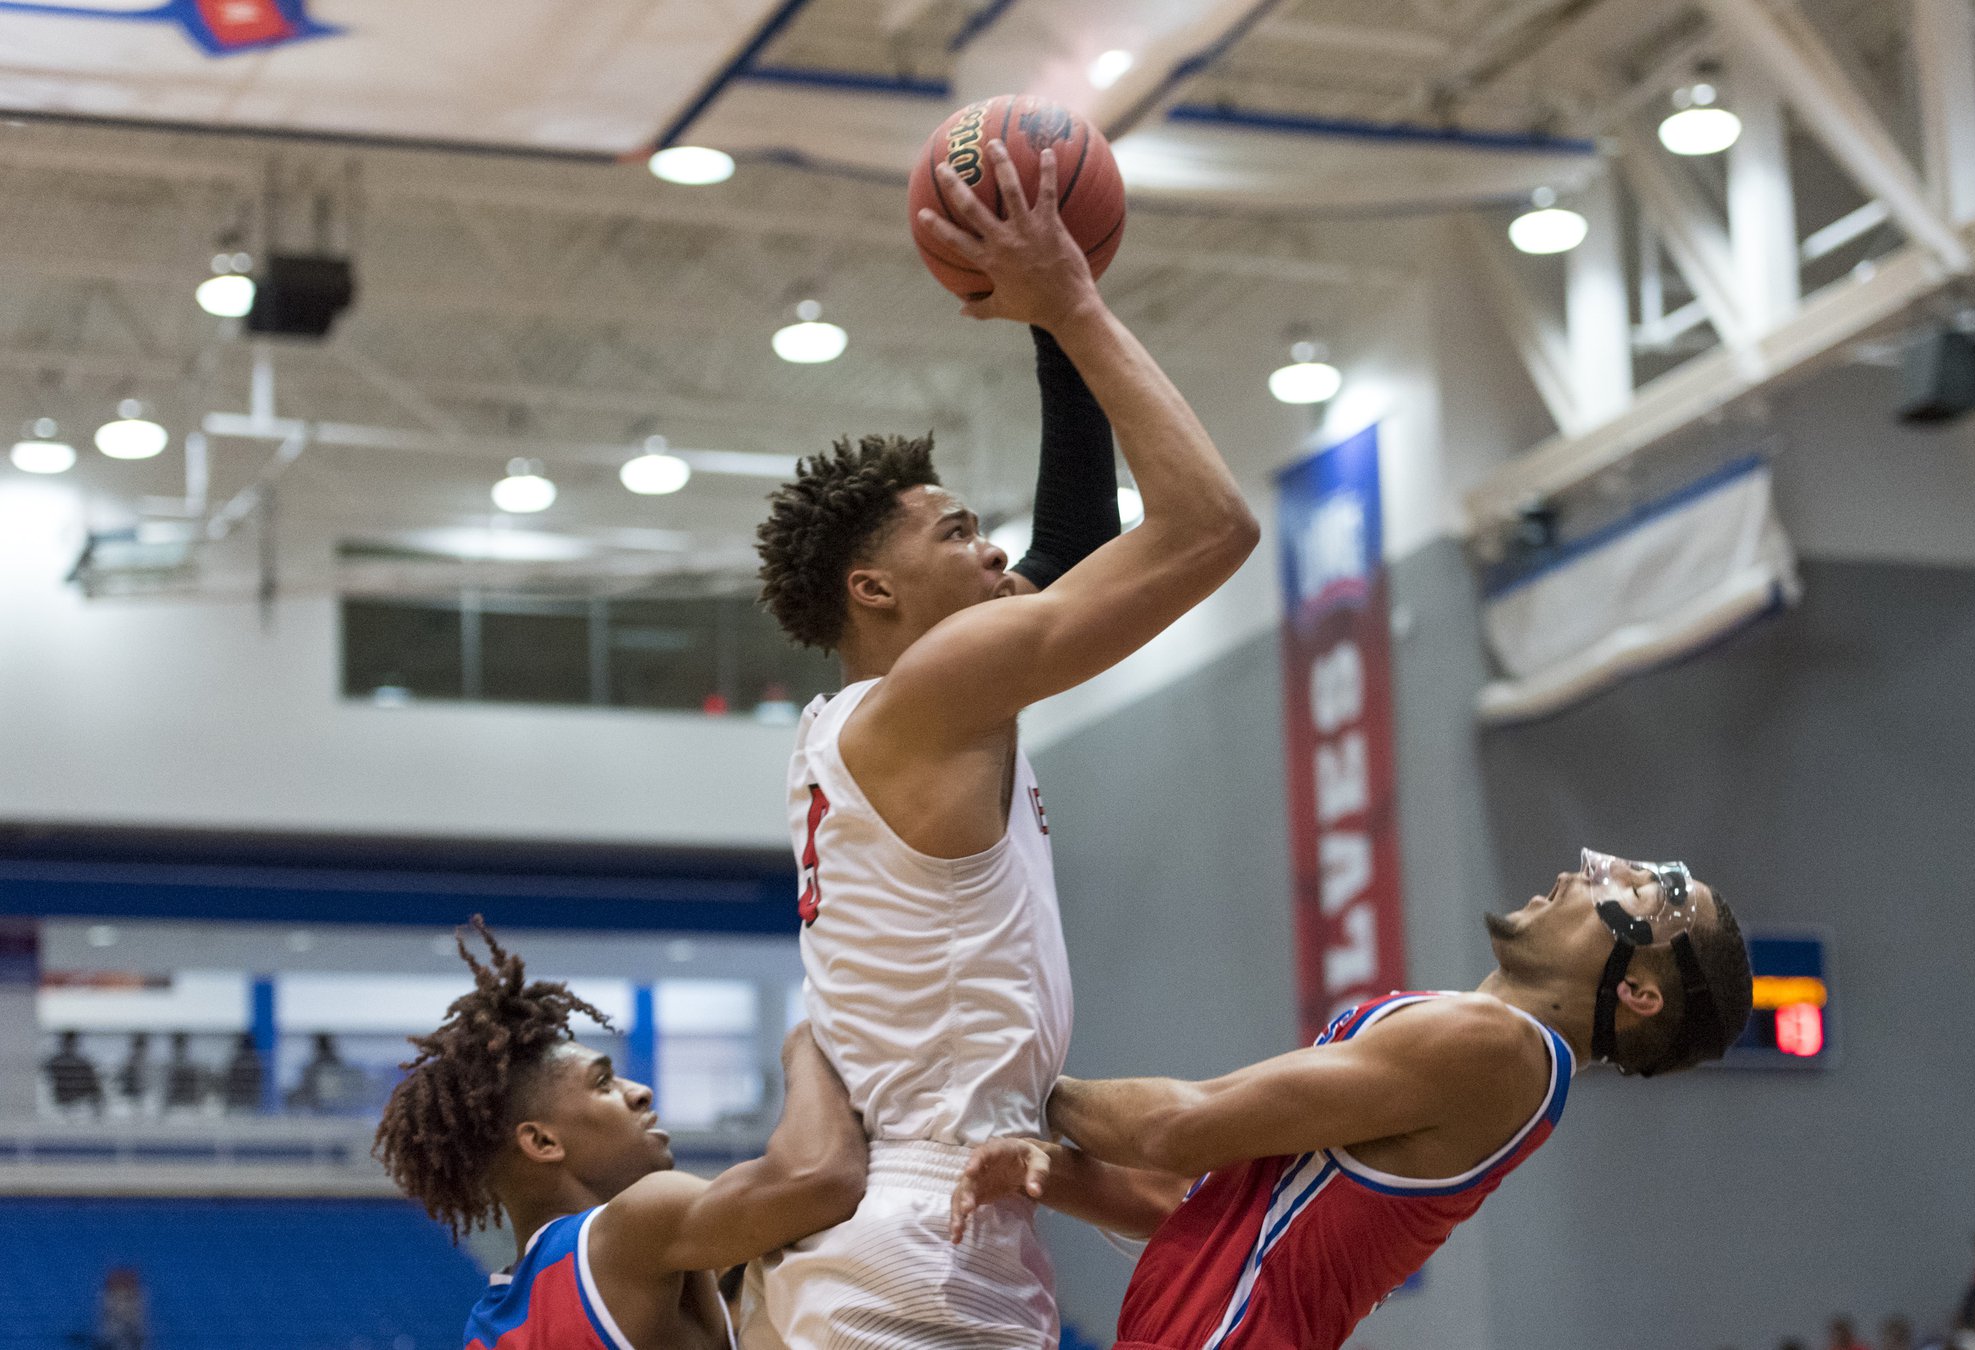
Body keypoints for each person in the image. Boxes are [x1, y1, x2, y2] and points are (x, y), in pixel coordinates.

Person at [744, 136, 1258, 1349]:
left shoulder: (873, 717)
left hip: (924, 1210)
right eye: (958, 532)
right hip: (919, 1230)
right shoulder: (931, 695)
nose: (995, 553)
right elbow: (1209, 528)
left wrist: (1044, 312)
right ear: (874, 590)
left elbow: (1077, 534)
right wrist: (1071, 301)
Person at [952, 850, 1755, 1350]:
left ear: (1640, 993)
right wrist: (1043, 1167)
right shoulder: (1492, 1053)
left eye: (1638, 893)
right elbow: (1188, 1200)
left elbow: (1176, 1128)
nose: (1582, 872)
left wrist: (1008, 1067)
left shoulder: (1497, 1049)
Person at [374, 918, 866, 1350]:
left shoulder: (488, 1325)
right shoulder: (632, 1226)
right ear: (543, 1142)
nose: (641, 1092)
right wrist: (806, 1040)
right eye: (604, 1083)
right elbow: (822, 1178)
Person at [43, 1030, 104, 1114]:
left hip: (62, 1100)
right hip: (76, 1099)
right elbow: (95, 1088)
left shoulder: (53, 1061)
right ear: (75, 1042)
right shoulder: (83, 1063)